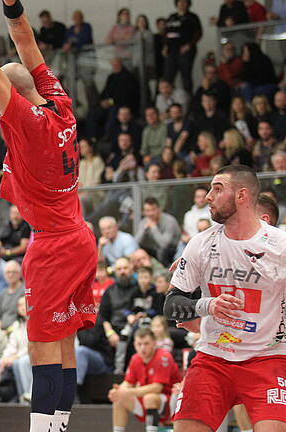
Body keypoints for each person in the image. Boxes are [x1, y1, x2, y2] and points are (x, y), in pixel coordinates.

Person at [0, 0, 97, 430]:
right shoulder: (60, 102)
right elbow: (25, 38)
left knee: (42, 349)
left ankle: (41, 429)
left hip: (52, 245)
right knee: (65, 343)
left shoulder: (24, 120)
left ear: (10, 95)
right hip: (79, 237)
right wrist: (13, 6)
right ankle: (58, 426)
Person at [165, 165, 286, 431]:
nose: (208, 196)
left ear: (241, 196)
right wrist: (207, 305)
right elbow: (171, 305)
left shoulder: (280, 246)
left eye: (217, 189)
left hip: (267, 358)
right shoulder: (200, 243)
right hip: (213, 357)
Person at [109, 328, 182, 432]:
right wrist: (119, 391)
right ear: (134, 344)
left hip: (171, 402)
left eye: (146, 344)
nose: (142, 348)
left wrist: (127, 391)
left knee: (150, 397)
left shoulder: (163, 356)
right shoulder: (135, 358)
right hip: (146, 399)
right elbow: (128, 383)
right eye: (139, 344)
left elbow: (157, 388)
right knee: (119, 398)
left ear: (154, 343)